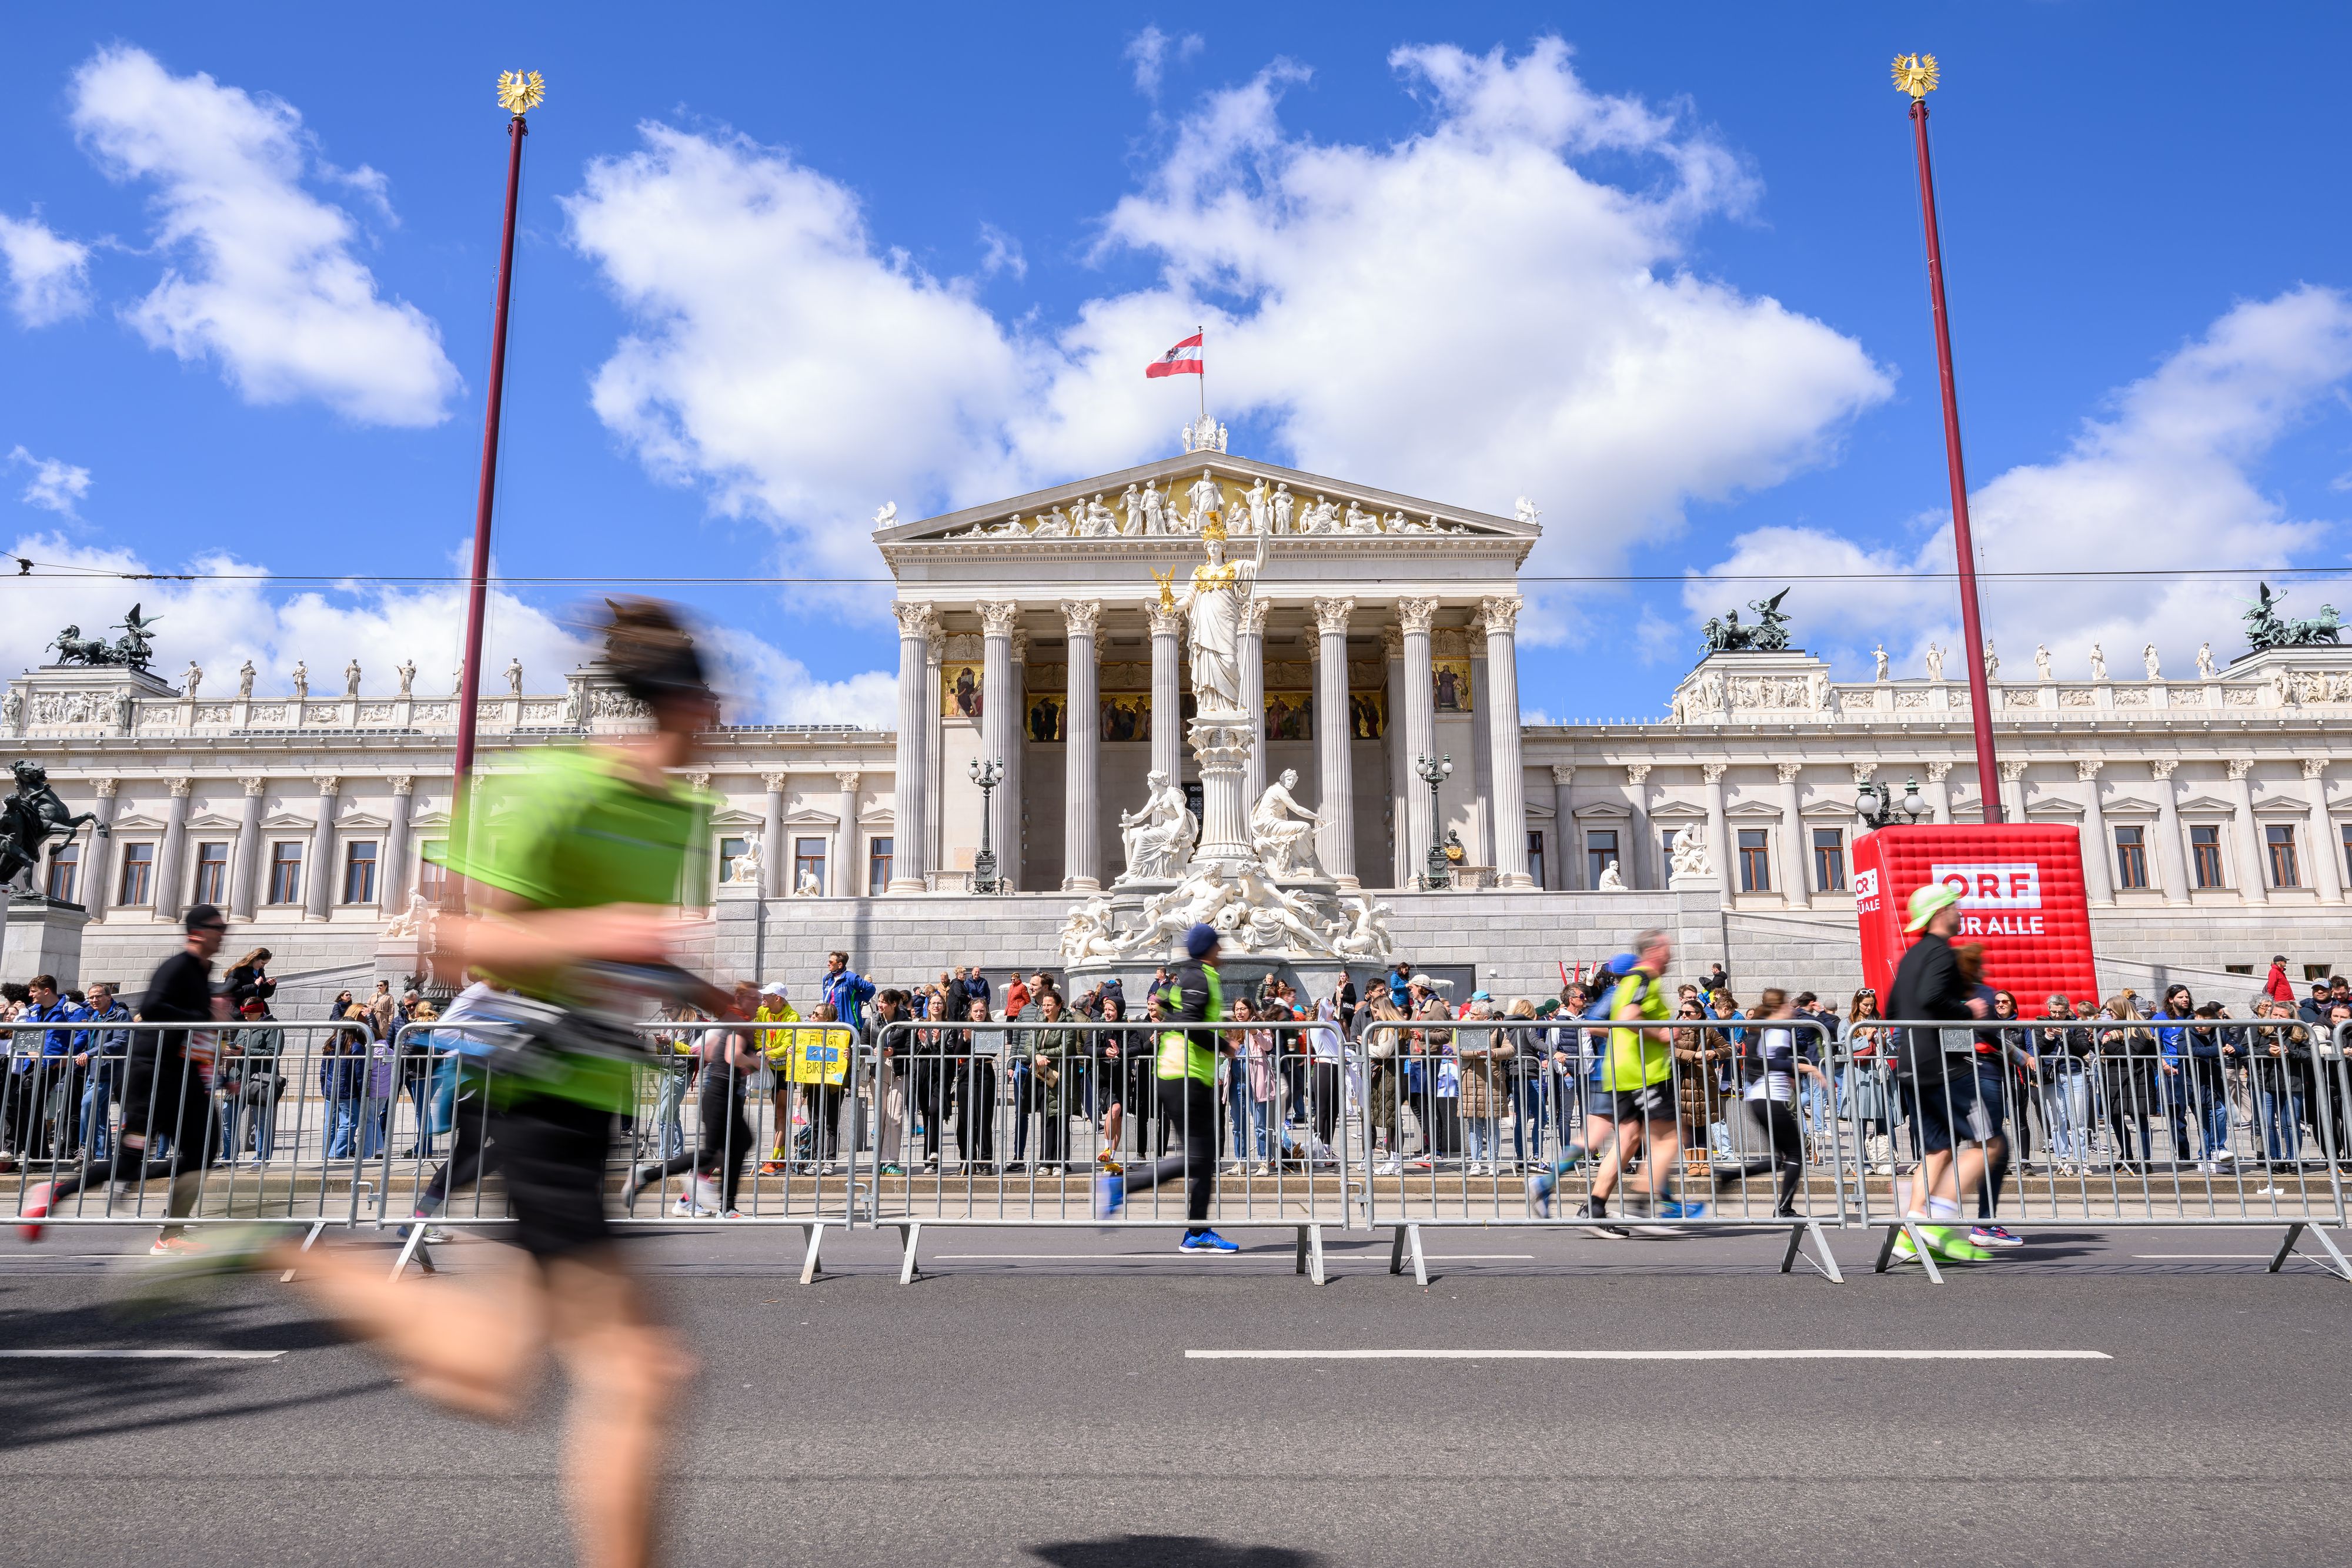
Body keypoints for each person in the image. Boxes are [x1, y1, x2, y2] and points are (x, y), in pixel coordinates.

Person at [56, 598, 735, 1568]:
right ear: (686, 701)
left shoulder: (675, 814)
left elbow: (632, 958)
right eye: (714, 701)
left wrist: (717, 993)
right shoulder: (555, 787)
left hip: (591, 1108)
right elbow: (452, 943)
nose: (722, 720)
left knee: (492, 1371)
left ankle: (264, 1240)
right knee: (642, 1372)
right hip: (534, 1094)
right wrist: (593, 935)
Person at [21, 905, 230, 1255]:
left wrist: (218, 1076)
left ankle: (170, 1233)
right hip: (151, 1081)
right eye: (216, 927)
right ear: (196, 931)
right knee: (134, 1161)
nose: (223, 933)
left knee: (205, 1150)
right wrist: (205, 1012)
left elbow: (196, 1034)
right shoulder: (177, 967)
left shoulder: (203, 971)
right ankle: (56, 1192)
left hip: (184, 1077)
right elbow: (153, 1006)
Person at [1095, 922, 1240, 1252]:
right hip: (1183, 1074)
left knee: (1205, 1157)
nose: (1222, 952)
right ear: (1208, 949)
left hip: (1189, 1075)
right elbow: (1190, 1024)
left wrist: (1169, 1009)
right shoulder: (1198, 977)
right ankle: (1123, 1187)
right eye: (1217, 946)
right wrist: (1224, 1046)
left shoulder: (1189, 977)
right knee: (1199, 1157)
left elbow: (1162, 1003)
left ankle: (1197, 1231)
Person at [1885, 884, 1996, 1265]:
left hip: (1911, 1066)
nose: (1959, 911)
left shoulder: (1911, 955)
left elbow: (1891, 1007)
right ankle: (1937, 1220)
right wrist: (1970, 1009)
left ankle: (1910, 1234)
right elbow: (1934, 997)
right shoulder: (1940, 953)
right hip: (1945, 1068)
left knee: (1938, 1150)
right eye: (1954, 906)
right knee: (1992, 1143)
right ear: (1939, 913)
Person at [625, 995, 757, 1218]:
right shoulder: (731, 1026)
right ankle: (652, 1176)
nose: (760, 1003)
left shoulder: (734, 1026)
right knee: (713, 1153)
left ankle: (720, 1205)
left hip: (726, 1093)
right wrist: (752, 1061)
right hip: (720, 1093)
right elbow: (709, 1052)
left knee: (735, 1146)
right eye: (755, 999)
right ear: (742, 1003)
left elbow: (704, 1052)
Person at [1712, 989, 1828, 1217]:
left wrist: (1791, 1077)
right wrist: (1810, 1068)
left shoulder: (1759, 1029)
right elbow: (1777, 1063)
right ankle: (1784, 1209)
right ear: (1779, 1008)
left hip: (1760, 1099)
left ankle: (1730, 1175)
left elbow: (1764, 1063)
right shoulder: (1776, 1031)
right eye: (1788, 1005)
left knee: (1784, 1156)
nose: (1791, 1009)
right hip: (1770, 1098)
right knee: (1796, 1155)